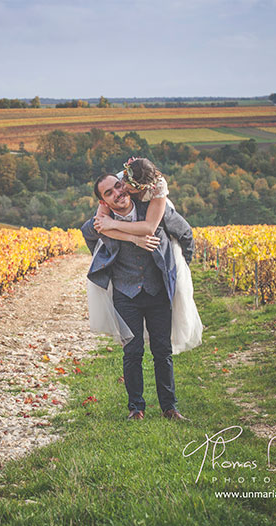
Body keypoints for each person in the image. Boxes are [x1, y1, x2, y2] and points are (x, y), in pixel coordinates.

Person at [81, 172, 195, 421]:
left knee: (162, 350)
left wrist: (180, 267)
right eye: (108, 193)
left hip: (158, 291)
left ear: (127, 186)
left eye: (117, 186)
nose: (116, 194)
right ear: (104, 202)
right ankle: (136, 408)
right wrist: (107, 253)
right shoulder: (103, 221)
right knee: (132, 352)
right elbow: (87, 232)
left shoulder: (155, 211)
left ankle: (170, 407)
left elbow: (185, 233)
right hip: (125, 293)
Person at [95, 157, 203, 354]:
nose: (124, 188)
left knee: (162, 348)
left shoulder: (158, 190)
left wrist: (182, 262)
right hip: (127, 286)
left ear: (143, 188)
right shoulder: (119, 183)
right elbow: (101, 225)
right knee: (132, 351)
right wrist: (133, 239)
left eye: (129, 188)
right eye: (123, 183)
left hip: (154, 216)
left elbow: (150, 227)